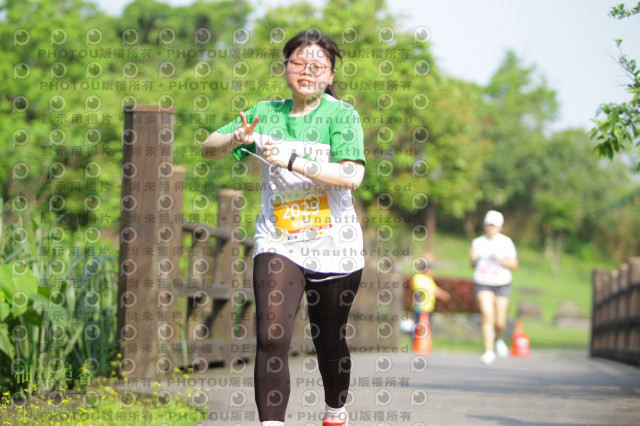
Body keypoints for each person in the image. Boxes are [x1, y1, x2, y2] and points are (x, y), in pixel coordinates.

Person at [202, 29, 366, 426]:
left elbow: (352, 176)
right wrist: (234, 139)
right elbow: (208, 146)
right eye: (299, 62)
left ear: (329, 75)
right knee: (272, 334)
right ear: (286, 67)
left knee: (329, 339)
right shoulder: (266, 112)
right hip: (279, 241)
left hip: (335, 245)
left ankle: (335, 410)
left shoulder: (341, 115)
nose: (307, 71)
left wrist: (293, 161)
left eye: (318, 66)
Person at [470, 210, 518, 365]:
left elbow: (514, 265)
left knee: (500, 322)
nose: (491, 228)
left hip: (502, 283)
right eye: (489, 225)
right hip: (483, 282)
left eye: (494, 225)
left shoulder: (506, 242)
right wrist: (474, 259)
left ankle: (498, 338)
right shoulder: (478, 242)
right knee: (487, 314)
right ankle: (488, 351)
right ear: (485, 225)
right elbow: (472, 264)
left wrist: (500, 259)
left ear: (500, 227)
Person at [411, 254, 450, 328]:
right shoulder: (418, 277)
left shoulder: (429, 279)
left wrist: (442, 294)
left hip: (428, 309)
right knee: (419, 330)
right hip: (420, 309)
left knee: (426, 330)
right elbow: (426, 289)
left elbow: (435, 289)